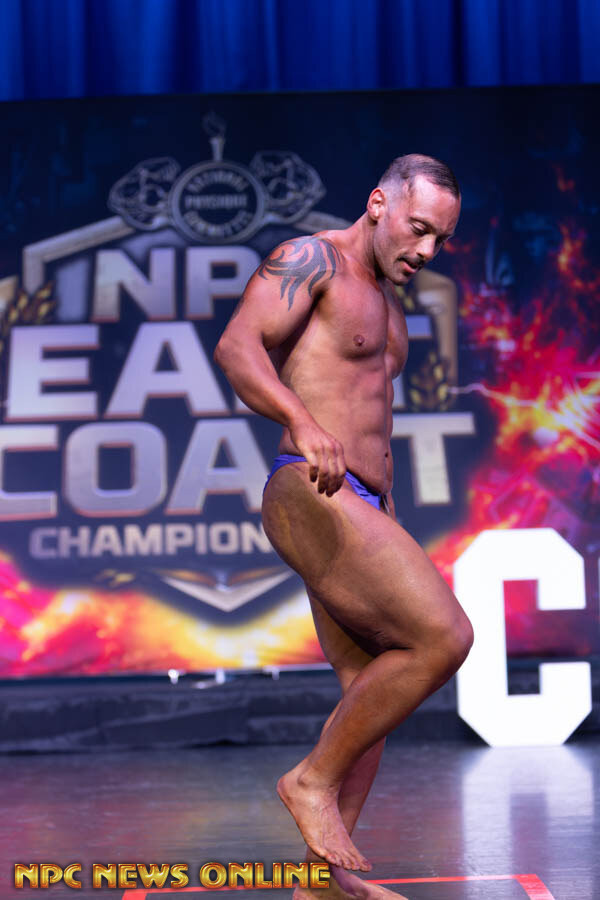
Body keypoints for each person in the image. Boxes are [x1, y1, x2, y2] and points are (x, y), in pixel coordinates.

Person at [214, 154, 473, 900]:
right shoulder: (311, 260)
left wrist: (384, 509)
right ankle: (309, 780)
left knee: (370, 691)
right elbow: (236, 347)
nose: (426, 249)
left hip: (361, 502)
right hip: (309, 486)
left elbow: (369, 417)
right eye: (418, 228)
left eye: (441, 239)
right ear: (377, 204)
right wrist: (300, 419)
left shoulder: (389, 303)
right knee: (445, 638)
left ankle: (319, 885)